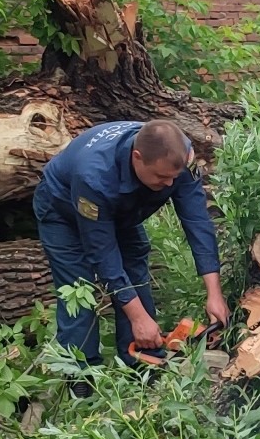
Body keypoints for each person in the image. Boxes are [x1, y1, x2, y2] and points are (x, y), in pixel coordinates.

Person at [33, 119, 230, 370]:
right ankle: (80, 373)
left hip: (120, 206)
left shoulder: (182, 156)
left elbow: (197, 221)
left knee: (134, 269)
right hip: (63, 210)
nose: (169, 185)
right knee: (77, 288)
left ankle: (141, 363)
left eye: (174, 177)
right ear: (137, 157)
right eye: (161, 177)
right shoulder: (93, 176)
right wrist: (137, 317)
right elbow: (102, 254)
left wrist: (214, 294)